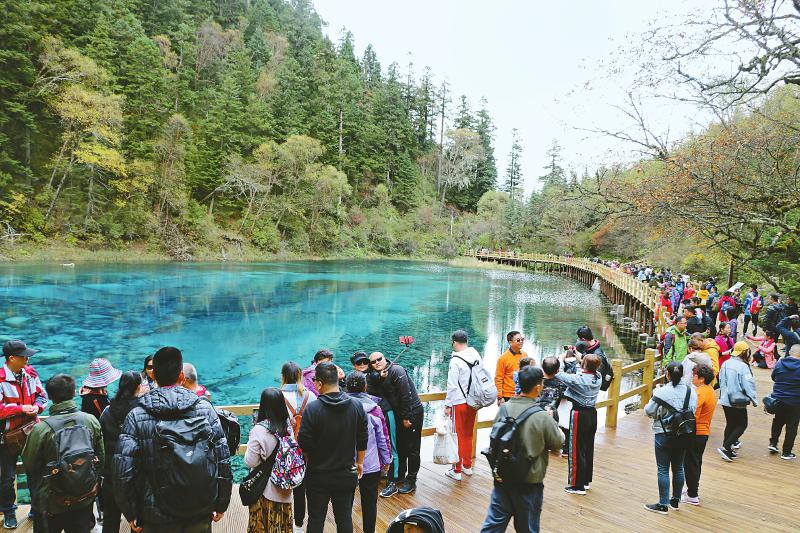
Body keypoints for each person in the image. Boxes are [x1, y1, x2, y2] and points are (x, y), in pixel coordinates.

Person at [114, 346, 232, 533]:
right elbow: (222, 459)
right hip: (199, 508)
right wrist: (222, 502)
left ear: (154, 376)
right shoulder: (204, 409)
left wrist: (131, 512)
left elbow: (123, 471)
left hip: (155, 515)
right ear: (181, 377)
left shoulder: (136, 416)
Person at [479, 366, 564, 533]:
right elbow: (558, 443)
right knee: (528, 528)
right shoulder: (541, 416)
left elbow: (495, 435)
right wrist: (553, 423)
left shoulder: (504, 409)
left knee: (492, 527)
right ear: (538, 387)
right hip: (529, 482)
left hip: (503, 478)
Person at [21, 374, 104, 533]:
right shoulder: (91, 420)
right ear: (74, 393)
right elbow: (101, 458)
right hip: (84, 497)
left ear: (50, 397)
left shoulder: (41, 429)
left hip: (51, 502)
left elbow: (29, 464)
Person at [297, 362, 367, 533]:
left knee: (316, 519)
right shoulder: (356, 406)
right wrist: (359, 462)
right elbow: (363, 437)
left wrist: (310, 458)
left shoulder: (312, 409)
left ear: (319, 383)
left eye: (314, 380)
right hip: (346, 473)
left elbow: (304, 443)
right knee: (344, 519)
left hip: (318, 474)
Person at [0, 340, 47, 529]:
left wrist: (38, 406)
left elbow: (42, 395)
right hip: (6, 436)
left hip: (31, 432)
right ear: (12, 358)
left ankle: (36, 508)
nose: (28, 358)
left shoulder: (30, 373)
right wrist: (20, 409)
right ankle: (9, 511)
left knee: (36, 473)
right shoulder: (1, 378)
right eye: (24, 356)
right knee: (7, 478)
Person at [643, 362, 697, 514]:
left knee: (663, 469)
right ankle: (675, 500)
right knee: (679, 467)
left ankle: (662, 504)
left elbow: (649, 411)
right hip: (683, 434)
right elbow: (694, 409)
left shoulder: (661, 392)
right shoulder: (690, 391)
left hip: (664, 433)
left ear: (667, 374)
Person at [369, 351, 423, 497]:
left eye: (379, 359)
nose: (377, 363)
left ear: (384, 358)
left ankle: (411, 480)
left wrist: (406, 417)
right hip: (399, 414)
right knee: (401, 445)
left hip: (412, 412)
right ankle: (400, 475)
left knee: (412, 447)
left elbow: (406, 395)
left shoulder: (396, 370)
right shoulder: (379, 375)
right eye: (373, 362)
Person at [346, 371, 391, 533]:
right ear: (365, 387)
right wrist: (386, 461)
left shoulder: (340, 407)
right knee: (370, 501)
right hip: (371, 463)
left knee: (346, 502)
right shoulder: (375, 410)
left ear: (346, 387)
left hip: (346, 464)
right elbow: (383, 438)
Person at [244, 387, 294, 533]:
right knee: (281, 527)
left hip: (264, 491)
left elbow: (250, 461)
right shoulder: (288, 426)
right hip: (284, 489)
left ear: (263, 405)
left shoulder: (259, 430)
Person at [99, 371, 142, 533]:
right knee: (138, 522)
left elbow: (100, 443)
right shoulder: (143, 411)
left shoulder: (107, 411)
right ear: (138, 387)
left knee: (110, 519)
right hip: (137, 474)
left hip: (111, 474)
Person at [556, 352, 602, 495]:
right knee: (588, 448)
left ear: (584, 365)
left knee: (576, 449)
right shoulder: (598, 377)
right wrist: (579, 358)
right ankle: (585, 481)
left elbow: (559, 374)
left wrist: (561, 359)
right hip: (592, 415)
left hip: (579, 414)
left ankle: (577, 486)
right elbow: (584, 369)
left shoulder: (579, 379)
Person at [279, 361, 316, 533]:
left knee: (281, 483)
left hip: (284, 449)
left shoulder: (277, 396)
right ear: (300, 376)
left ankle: (282, 521)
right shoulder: (311, 396)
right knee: (301, 485)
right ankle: (299, 524)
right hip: (306, 447)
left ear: (283, 376)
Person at [444, 330, 482, 481]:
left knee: (456, 436)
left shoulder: (455, 360)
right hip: (473, 402)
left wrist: (447, 405)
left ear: (454, 342)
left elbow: (452, 385)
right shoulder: (476, 356)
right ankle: (467, 466)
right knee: (468, 434)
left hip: (459, 403)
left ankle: (457, 469)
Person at [682, 364, 717, 506]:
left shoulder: (700, 393)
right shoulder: (709, 390)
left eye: (695, 375)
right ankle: (692, 490)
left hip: (696, 432)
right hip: (703, 431)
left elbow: (693, 414)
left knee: (690, 463)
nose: (692, 377)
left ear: (701, 379)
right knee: (695, 462)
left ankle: (692, 495)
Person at [717, 342, 758, 462]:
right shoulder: (743, 366)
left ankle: (727, 450)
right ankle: (725, 447)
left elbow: (720, 380)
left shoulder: (726, 363)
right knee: (741, 424)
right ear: (744, 352)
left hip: (725, 399)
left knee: (730, 423)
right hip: (737, 401)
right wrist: (754, 400)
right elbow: (748, 385)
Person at [769, 344, 800, 460]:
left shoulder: (780, 363)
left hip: (779, 399)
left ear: (790, 352)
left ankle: (773, 443)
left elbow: (773, 377)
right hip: (795, 402)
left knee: (778, 421)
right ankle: (786, 452)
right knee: (792, 427)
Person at [495, 331, 527, 404]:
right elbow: (498, 378)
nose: (521, 341)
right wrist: (500, 397)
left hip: (522, 394)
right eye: (518, 340)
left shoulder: (524, 355)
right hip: (508, 395)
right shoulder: (503, 358)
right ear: (510, 342)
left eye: (522, 339)